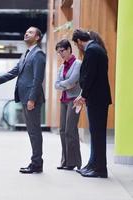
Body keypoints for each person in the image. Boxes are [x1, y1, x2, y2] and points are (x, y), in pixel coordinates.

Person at [0, 26, 46, 174]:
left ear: (37, 37)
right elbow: (14, 72)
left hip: (31, 99)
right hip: (25, 97)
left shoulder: (38, 54)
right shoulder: (26, 54)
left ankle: (37, 163)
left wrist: (32, 99)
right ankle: (36, 162)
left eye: (30, 32)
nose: (26, 33)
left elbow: (38, 80)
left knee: (34, 132)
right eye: (26, 31)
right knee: (32, 131)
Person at [72, 29, 112, 178]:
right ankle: (93, 164)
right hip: (96, 98)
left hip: (97, 98)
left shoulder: (92, 51)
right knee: (95, 134)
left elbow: (89, 76)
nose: (79, 48)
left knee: (98, 135)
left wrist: (83, 95)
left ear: (79, 42)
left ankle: (100, 169)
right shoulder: (96, 49)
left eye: (77, 45)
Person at [54, 39, 82, 170]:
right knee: (62, 130)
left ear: (69, 49)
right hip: (64, 100)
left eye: (62, 51)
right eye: (59, 52)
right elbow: (56, 84)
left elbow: (72, 81)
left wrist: (62, 84)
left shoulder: (78, 64)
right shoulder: (61, 66)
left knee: (70, 130)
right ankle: (65, 161)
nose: (61, 54)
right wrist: (65, 85)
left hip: (74, 100)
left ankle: (73, 162)